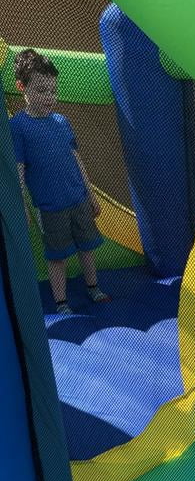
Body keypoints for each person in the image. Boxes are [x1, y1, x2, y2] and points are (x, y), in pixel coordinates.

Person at [10, 48, 109, 315]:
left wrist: (90, 194)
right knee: (58, 255)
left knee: (87, 247)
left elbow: (76, 161)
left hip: (77, 198)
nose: (50, 97)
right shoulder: (18, 126)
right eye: (42, 91)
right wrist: (22, 205)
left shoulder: (62, 122)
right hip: (50, 206)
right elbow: (19, 169)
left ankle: (93, 287)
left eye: (53, 91)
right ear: (22, 87)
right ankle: (61, 301)